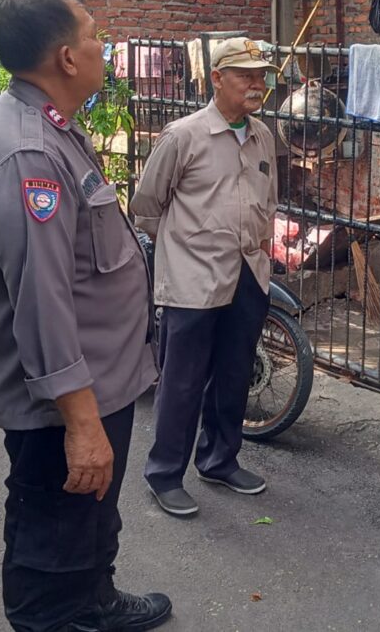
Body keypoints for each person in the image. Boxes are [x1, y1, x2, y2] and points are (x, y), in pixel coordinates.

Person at [0, 0, 172, 632]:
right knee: (53, 534)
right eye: (96, 36)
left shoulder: (50, 128)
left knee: (88, 516)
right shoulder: (27, 152)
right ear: (66, 58)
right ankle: (59, 616)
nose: (104, 48)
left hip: (99, 383)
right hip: (62, 406)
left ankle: (94, 603)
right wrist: (80, 424)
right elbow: (43, 303)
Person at [131, 37, 278, 517]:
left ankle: (219, 459)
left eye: (262, 76)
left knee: (235, 375)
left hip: (247, 275)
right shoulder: (184, 136)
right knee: (182, 381)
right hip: (194, 279)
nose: (257, 84)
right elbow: (147, 206)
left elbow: (268, 201)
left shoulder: (263, 135)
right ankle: (164, 474)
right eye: (245, 75)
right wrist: (184, 249)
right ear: (217, 78)